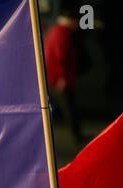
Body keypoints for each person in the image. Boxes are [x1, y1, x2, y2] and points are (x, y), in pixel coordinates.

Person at [44, 7, 84, 143]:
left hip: (53, 77)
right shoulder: (62, 34)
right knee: (69, 108)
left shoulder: (55, 31)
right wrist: (62, 77)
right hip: (59, 79)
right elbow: (61, 56)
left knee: (61, 107)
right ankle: (77, 136)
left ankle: (76, 134)